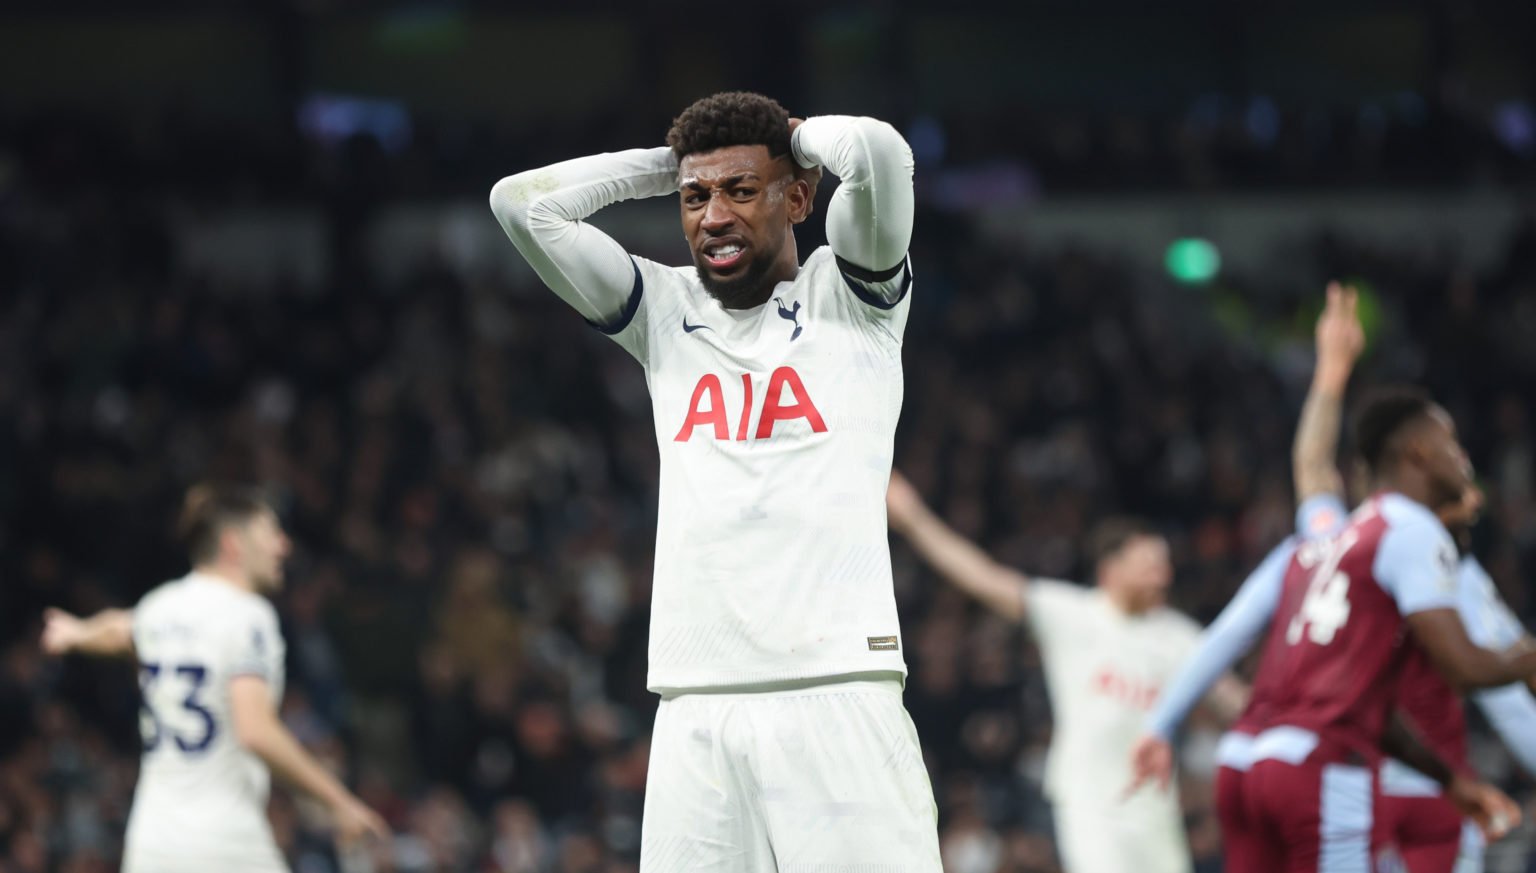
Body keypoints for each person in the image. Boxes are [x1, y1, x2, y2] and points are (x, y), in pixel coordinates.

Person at [489, 91, 940, 871]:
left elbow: (876, 153)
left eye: (739, 189)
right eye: (696, 199)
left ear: (799, 195)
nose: (713, 216)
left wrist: (794, 137)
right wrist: (665, 169)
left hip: (837, 688)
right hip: (695, 701)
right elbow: (523, 208)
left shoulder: (854, 296)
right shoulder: (663, 311)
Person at [1130, 286, 1536, 872]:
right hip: (1364, 777)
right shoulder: (1436, 558)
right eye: (1457, 462)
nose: (1468, 481)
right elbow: (1497, 693)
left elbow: (1311, 473)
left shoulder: (1325, 542)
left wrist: (1330, 373)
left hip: (1260, 756)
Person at [884, 474, 1246, 873]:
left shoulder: (1179, 637)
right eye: (1148, 564)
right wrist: (913, 518)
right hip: (1092, 808)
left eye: (1163, 565)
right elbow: (983, 577)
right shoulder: (1071, 614)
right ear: (1111, 569)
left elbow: (1237, 702)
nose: (1162, 575)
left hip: (1157, 814)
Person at [41, 484, 388, 873]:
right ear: (233, 545)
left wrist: (76, 633)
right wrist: (337, 801)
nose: (283, 546)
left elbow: (120, 630)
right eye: (271, 534)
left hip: (151, 845)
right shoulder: (247, 616)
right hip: (223, 844)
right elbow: (255, 729)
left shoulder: (161, 606)